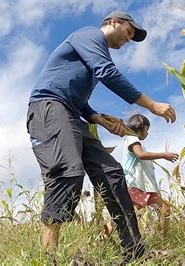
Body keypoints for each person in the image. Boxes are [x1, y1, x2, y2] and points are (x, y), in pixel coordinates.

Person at [26, 11, 176, 263]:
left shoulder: (90, 62)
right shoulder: (88, 35)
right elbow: (107, 72)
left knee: (113, 174)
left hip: (72, 115)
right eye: (129, 31)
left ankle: (134, 251)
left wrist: (99, 120)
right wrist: (151, 105)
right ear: (113, 22)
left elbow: (80, 102)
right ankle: (48, 258)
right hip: (48, 108)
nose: (130, 38)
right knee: (68, 172)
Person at [122, 114, 178, 236]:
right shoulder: (132, 138)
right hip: (136, 186)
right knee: (165, 210)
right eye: (147, 129)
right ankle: (163, 240)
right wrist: (164, 155)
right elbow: (140, 155)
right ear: (140, 127)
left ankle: (102, 237)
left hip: (136, 186)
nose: (147, 133)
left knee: (123, 214)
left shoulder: (132, 140)